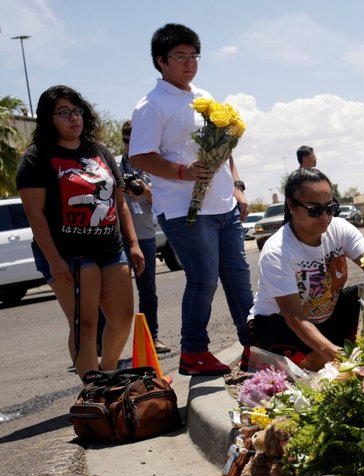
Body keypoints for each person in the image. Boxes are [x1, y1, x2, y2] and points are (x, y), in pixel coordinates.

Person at [129, 23, 253, 376]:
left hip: (223, 205)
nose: (189, 63)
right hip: (185, 209)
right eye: (180, 57)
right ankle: (194, 352)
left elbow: (224, 145)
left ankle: (254, 344)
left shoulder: (203, 96)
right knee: (203, 279)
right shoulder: (151, 106)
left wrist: (237, 186)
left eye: (193, 55)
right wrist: (183, 173)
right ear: (161, 61)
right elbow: (140, 156)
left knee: (238, 276)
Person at [16, 85, 145, 380]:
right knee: (85, 324)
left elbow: (119, 202)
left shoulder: (99, 151)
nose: (74, 118)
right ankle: (92, 390)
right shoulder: (37, 158)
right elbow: (34, 213)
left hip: (110, 249)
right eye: (64, 113)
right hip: (68, 253)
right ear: (49, 119)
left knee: (123, 318)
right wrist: (53, 259)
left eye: (77, 111)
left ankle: (109, 373)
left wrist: (133, 244)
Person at [247, 167, 364, 372]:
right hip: (279, 322)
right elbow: (294, 317)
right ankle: (262, 359)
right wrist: (336, 354)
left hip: (324, 316)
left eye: (330, 208)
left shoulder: (340, 228)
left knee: (362, 294)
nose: (325, 216)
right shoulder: (277, 251)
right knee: (324, 365)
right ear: (291, 206)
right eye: (315, 209)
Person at [119, 120, 170, 354]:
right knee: (112, 292)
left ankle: (152, 337)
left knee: (147, 289)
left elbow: (162, 202)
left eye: (134, 139)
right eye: (126, 140)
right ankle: (103, 342)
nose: (130, 144)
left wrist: (147, 192)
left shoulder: (151, 167)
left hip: (145, 236)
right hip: (117, 238)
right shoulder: (113, 166)